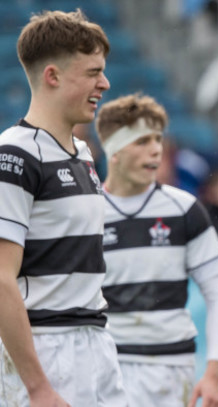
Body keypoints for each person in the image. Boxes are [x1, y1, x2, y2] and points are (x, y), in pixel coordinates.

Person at [0, 9, 127, 407]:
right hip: (47, 349)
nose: (104, 84)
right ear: (52, 75)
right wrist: (38, 387)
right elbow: (1, 279)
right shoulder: (15, 153)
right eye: (92, 72)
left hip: (95, 342)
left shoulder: (85, 152)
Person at [95, 93, 218, 407]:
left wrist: (213, 373)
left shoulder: (185, 209)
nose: (156, 149)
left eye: (158, 139)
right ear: (114, 149)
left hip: (171, 370)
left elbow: (217, 294)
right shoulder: (86, 213)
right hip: (103, 366)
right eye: (142, 141)